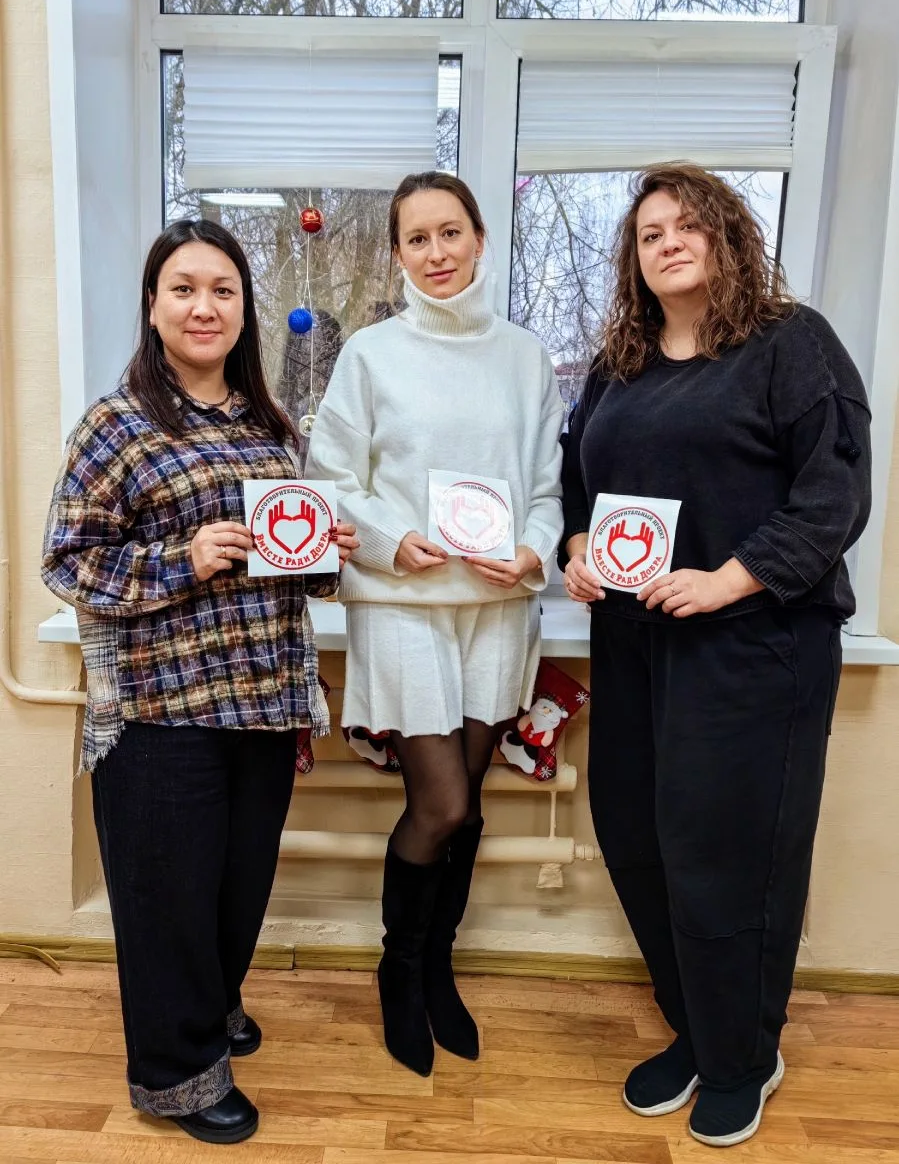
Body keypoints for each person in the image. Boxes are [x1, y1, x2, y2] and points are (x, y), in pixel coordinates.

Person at [561, 163, 871, 1148]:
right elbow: (577, 484)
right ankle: (696, 1029)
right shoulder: (618, 365)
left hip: (751, 644)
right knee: (635, 834)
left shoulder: (789, 344)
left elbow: (832, 494)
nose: (667, 242)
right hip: (633, 640)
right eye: (648, 231)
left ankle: (743, 1054)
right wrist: (577, 548)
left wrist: (727, 579)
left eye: (687, 224)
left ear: (727, 234)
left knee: (728, 854)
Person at [42, 219, 357, 1145]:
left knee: (235, 885)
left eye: (223, 290)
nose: (204, 307)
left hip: (261, 699)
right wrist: (183, 557)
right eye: (183, 289)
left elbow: (286, 564)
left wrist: (322, 551)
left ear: (245, 309)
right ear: (153, 306)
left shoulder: (268, 423)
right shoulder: (116, 425)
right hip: (160, 706)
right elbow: (69, 561)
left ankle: (211, 1007)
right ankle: (174, 1074)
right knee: (167, 898)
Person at [306, 171, 564, 1076]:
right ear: (397, 254)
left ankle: (438, 969)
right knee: (440, 803)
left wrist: (531, 552)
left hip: (496, 608)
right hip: (403, 607)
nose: (436, 252)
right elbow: (330, 477)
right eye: (416, 238)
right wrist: (389, 540)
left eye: (450, 232)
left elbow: (547, 489)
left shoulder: (525, 356)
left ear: (479, 238)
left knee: (471, 806)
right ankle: (400, 968)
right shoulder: (370, 355)